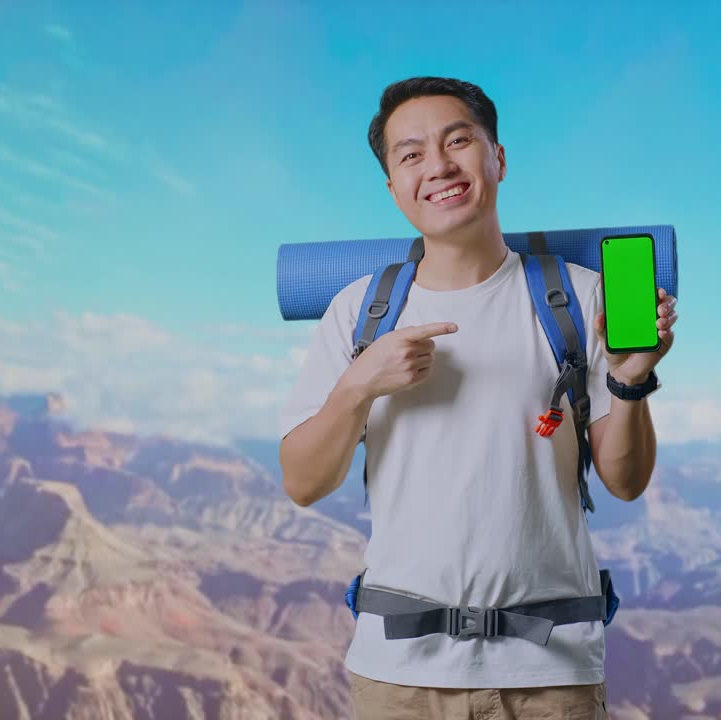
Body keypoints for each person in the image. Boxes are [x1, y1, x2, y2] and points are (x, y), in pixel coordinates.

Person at [278, 76, 678, 720]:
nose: (437, 165)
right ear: (392, 187)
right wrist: (359, 384)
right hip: (400, 680)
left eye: (457, 140)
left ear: (498, 157)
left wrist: (631, 378)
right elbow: (302, 482)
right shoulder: (359, 312)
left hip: (551, 677)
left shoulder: (581, 298)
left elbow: (625, 482)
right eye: (410, 154)